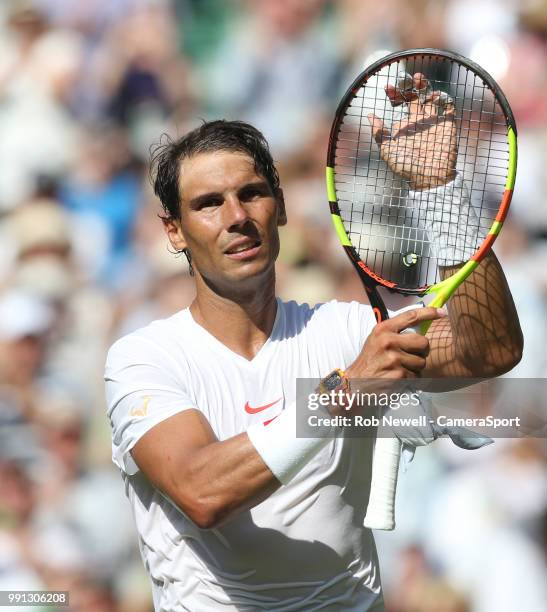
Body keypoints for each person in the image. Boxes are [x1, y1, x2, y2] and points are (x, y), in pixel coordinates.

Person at [105, 76, 522, 610]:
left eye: (252, 193)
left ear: (279, 207)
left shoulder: (346, 332)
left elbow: (489, 351)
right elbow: (202, 492)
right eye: (209, 203)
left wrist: (441, 189)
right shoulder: (144, 357)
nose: (237, 217)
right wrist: (347, 392)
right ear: (174, 232)